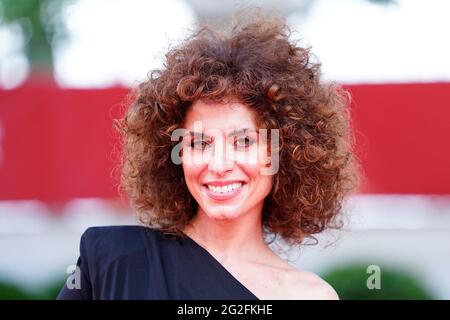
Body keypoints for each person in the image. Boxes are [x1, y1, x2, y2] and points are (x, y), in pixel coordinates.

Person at [57, 11, 358, 300]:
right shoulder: (110, 260)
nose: (219, 164)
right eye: (200, 144)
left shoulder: (306, 297)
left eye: (243, 141)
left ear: (282, 152)